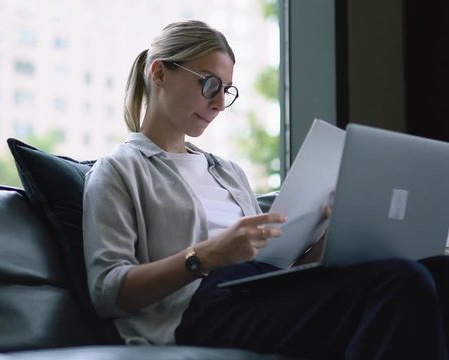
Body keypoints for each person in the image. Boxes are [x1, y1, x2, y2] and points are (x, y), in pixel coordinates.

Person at [82, 20, 449, 359]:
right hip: (195, 311)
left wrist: (325, 238)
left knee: (437, 271)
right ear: (159, 72)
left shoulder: (227, 171)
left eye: (226, 91)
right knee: (402, 282)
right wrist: (204, 256)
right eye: (209, 84)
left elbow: (274, 271)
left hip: (251, 293)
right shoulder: (118, 169)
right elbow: (108, 291)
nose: (219, 103)